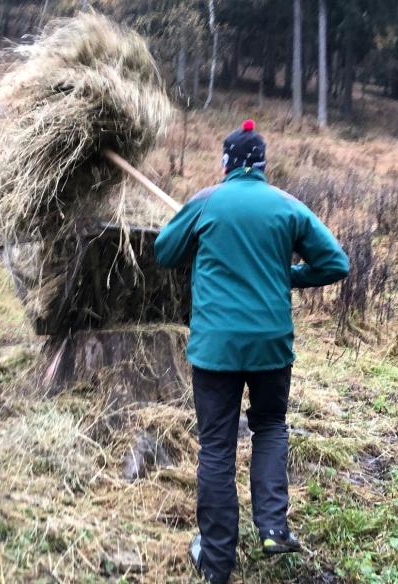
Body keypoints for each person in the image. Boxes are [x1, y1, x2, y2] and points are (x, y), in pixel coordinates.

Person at [154, 119, 350, 584]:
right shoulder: (288, 207)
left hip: (215, 349)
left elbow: (163, 251)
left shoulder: (206, 202)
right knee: (269, 427)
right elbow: (335, 263)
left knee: (217, 447)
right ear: (262, 165)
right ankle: (273, 526)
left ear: (225, 164)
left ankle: (217, 561)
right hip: (271, 347)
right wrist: (288, 276)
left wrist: (195, 242)